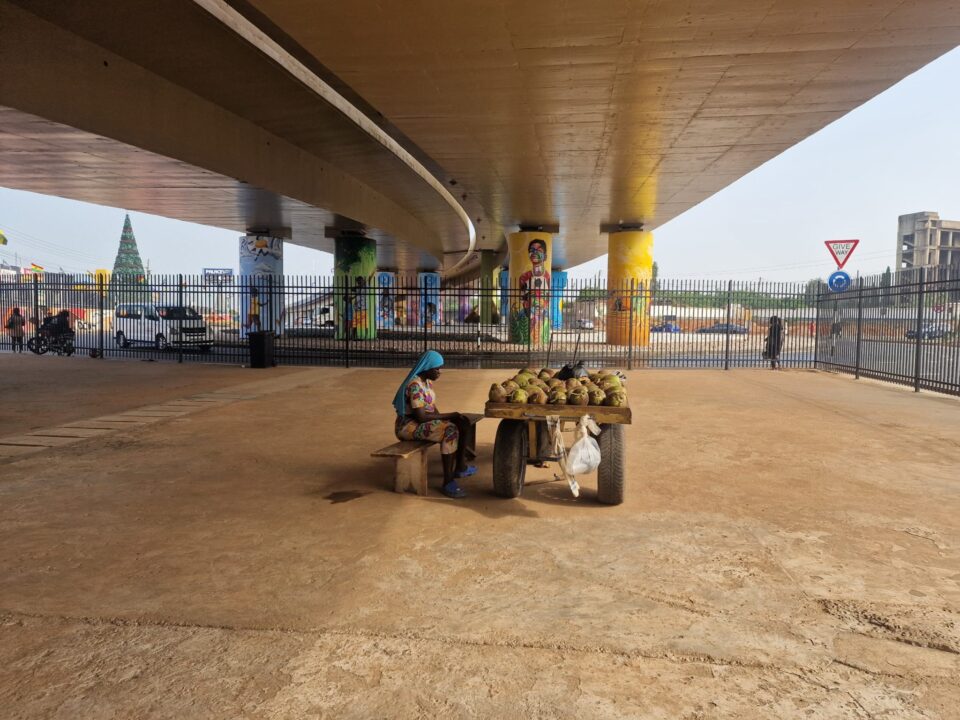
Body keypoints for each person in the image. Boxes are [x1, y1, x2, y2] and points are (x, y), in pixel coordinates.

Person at [393, 350, 475, 498]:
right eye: (437, 369)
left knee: (463, 423)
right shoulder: (415, 386)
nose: (440, 372)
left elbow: (431, 407)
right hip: (408, 426)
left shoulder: (427, 382)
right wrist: (450, 416)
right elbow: (421, 417)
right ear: (427, 367)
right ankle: (448, 482)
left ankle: (460, 467)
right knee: (450, 431)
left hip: (420, 422)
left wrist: (445, 418)